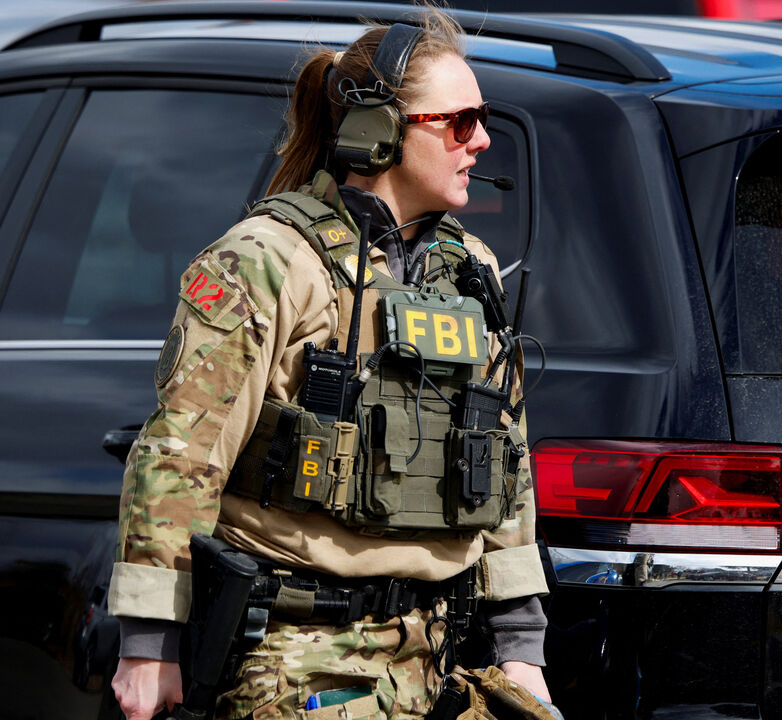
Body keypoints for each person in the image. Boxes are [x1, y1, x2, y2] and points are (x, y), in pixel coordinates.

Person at [110, 6, 552, 719]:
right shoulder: (266, 261)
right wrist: (148, 644)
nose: (483, 141)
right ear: (378, 131)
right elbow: (179, 454)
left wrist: (521, 651)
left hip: (435, 659)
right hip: (298, 661)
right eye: (459, 122)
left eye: (484, 118)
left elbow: (505, 460)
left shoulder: (471, 270)